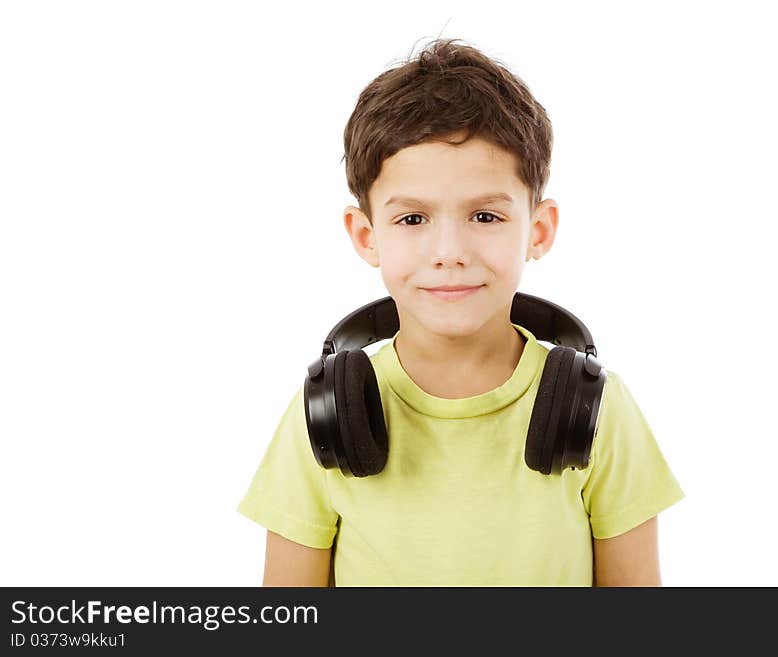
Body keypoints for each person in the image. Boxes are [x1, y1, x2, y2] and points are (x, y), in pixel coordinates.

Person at [236, 37, 684, 586]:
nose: (449, 251)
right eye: (413, 220)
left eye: (486, 217)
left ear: (537, 231)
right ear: (366, 235)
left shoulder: (597, 411)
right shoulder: (323, 416)